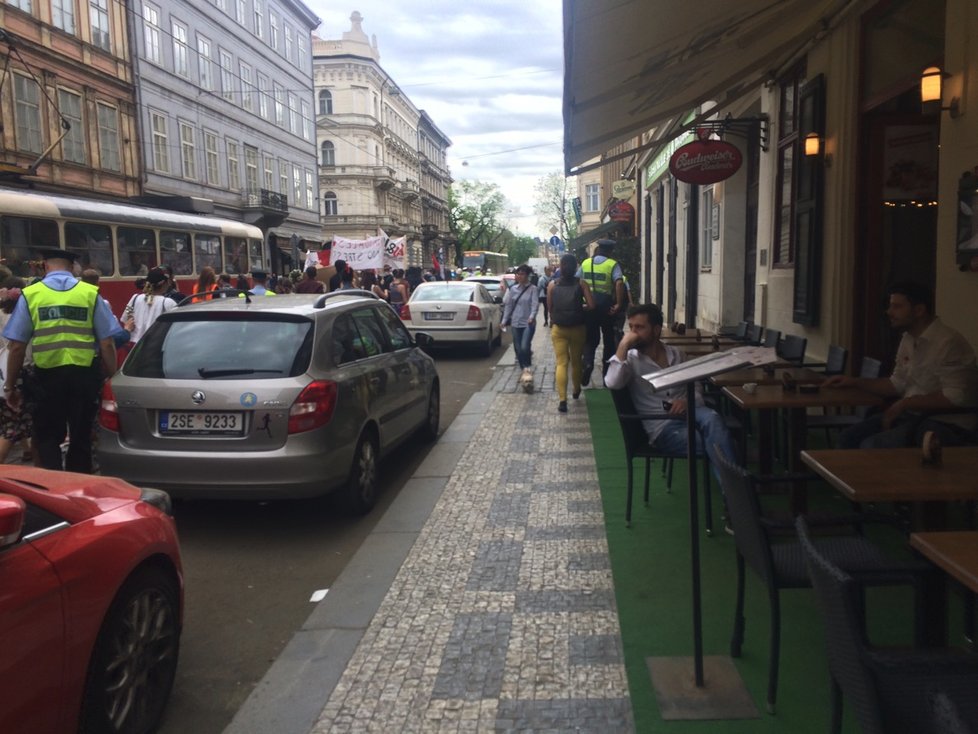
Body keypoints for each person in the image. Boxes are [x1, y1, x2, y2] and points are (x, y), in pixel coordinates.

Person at [2, 247, 118, 473]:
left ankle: (52, 492)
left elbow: (17, 347)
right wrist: (111, 377)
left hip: (46, 379)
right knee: (81, 438)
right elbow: (106, 343)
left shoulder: (32, 295)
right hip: (84, 378)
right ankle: (78, 490)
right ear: (72, 267)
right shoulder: (89, 294)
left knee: (46, 438)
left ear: (45, 266)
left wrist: (10, 386)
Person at [824, 281, 978, 448]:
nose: (889, 312)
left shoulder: (948, 342)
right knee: (847, 438)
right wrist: (855, 381)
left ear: (919, 310)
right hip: (910, 415)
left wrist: (905, 403)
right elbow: (896, 384)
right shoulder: (908, 338)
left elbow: (956, 397)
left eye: (897, 307)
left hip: (944, 422)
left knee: (872, 446)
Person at [604, 302, 737, 475]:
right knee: (719, 443)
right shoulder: (630, 360)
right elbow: (612, 382)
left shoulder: (677, 354)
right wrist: (623, 345)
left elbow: (696, 384)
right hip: (663, 426)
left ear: (656, 330)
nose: (633, 333)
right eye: (631, 327)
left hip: (692, 411)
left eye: (639, 327)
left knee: (713, 419)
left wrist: (686, 401)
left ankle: (734, 495)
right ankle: (735, 495)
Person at [547, 254, 594, 413]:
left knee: (561, 363)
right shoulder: (582, 284)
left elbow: (550, 307)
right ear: (576, 267)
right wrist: (580, 308)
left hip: (559, 329)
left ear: (560, 266)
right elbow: (592, 305)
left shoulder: (552, 285)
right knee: (576, 361)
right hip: (577, 328)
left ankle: (562, 400)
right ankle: (576, 390)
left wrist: (554, 319)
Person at [578, 238, 624, 384]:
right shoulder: (612, 264)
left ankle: (588, 362)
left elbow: (576, 281)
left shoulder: (585, 263)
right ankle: (606, 375)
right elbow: (619, 282)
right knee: (609, 340)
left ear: (598, 249)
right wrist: (619, 303)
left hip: (589, 307)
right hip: (606, 308)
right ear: (610, 251)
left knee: (590, 339)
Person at [0, 281, 33, 464]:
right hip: (17, 371)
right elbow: (20, 349)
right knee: (13, 426)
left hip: (1, 371)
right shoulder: (22, 316)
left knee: (14, 420)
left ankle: (28, 450)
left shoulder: (0, 313)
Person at [501, 264, 538, 376]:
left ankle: (527, 366)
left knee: (524, 346)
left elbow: (534, 306)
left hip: (528, 323)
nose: (520, 276)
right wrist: (504, 321)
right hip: (515, 322)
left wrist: (532, 317)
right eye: (518, 274)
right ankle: (523, 368)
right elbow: (509, 306)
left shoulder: (533, 289)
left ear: (527, 275)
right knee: (517, 348)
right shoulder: (513, 289)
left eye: (522, 274)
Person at [128, 267, 179, 344]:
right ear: (162, 283)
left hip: (134, 347)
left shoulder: (135, 298)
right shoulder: (168, 303)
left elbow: (127, 320)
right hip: (155, 345)